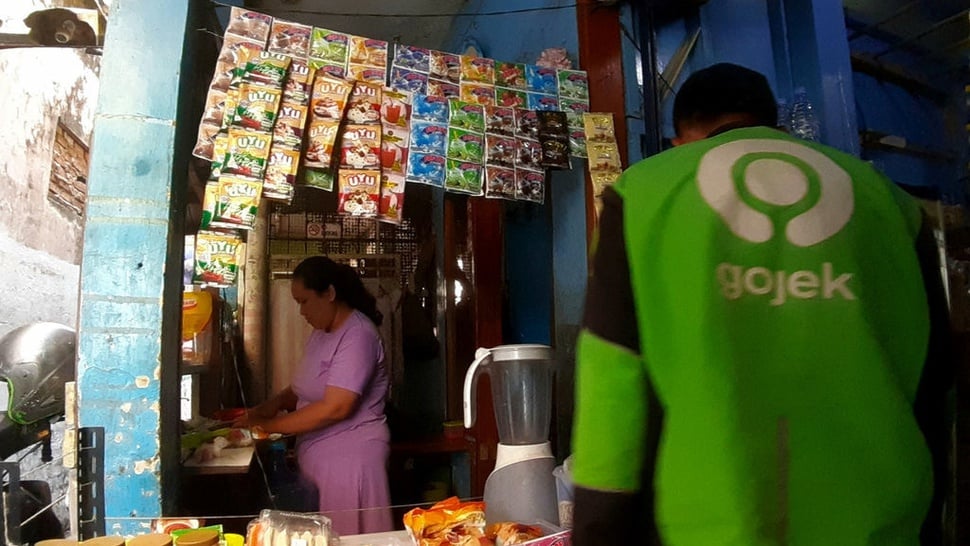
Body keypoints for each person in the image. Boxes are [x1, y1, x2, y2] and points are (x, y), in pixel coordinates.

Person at [571, 63, 951, 545]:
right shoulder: (890, 203)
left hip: (710, 527)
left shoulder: (641, 195)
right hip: (881, 523)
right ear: (776, 124)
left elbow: (612, 384)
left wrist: (597, 532)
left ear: (681, 140)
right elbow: (934, 384)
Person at [235, 255, 393, 536]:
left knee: (349, 538)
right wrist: (270, 406)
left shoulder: (358, 335)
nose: (301, 312)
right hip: (319, 459)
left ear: (329, 293)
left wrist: (266, 427)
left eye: (304, 302)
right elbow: (303, 387)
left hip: (350, 460)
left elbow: (337, 407)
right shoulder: (321, 333)